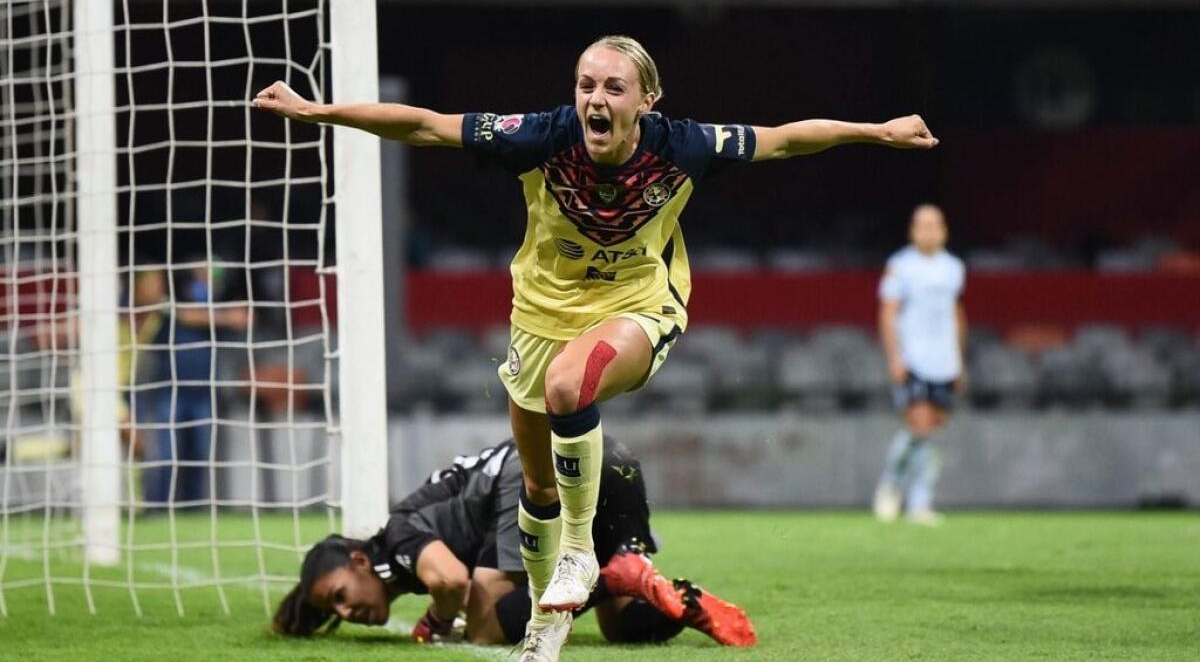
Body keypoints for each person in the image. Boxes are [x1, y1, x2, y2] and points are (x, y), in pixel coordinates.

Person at [254, 34, 937, 660]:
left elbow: (785, 140)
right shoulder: (542, 136)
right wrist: (319, 113)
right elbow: (427, 126)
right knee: (535, 482)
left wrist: (876, 131)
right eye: (587, 85)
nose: (595, 99)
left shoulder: (684, 145)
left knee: (566, 387)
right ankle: (550, 620)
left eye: (613, 87)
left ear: (647, 100)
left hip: (638, 305)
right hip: (540, 315)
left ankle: (581, 554)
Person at [272, 437, 756, 648]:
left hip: (530, 473)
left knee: (484, 625)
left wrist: (440, 619)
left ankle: (604, 575)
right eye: (334, 613)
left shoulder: (398, 534)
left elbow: (450, 579)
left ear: (360, 561)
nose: (346, 612)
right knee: (623, 626)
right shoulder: (402, 539)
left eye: (340, 596)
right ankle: (678, 599)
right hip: (610, 459)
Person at [873, 204, 966, 525]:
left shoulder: (954, 267)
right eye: (922, 225)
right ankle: (892, 488)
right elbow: (888, 313)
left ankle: (919, 502)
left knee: (932, 429)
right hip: (914, 357)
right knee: (919, 424)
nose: (928, 231)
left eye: (934, 225)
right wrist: (895, 356)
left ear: (944, 230)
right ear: (913, 230)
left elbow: (955, 314)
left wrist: (958, 359)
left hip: (944, 360)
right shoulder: (900, 266)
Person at [144, 258, 248, 508]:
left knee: (200, 455)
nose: (206, 278)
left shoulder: (222, 301)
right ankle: (158, 507)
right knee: (168, 455)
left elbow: (244, 319)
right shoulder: (172, 304)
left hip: (204, 392)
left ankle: (193, 509)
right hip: (170, 389)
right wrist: (220, 317)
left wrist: (216, 316)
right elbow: (186, 315)